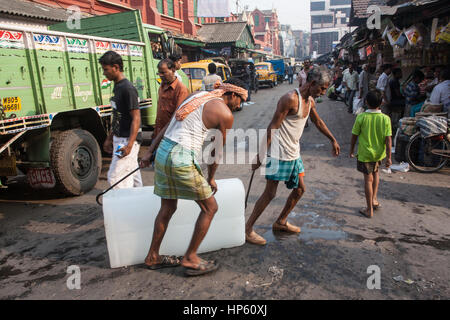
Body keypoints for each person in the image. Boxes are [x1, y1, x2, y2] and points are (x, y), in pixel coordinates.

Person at [139, 78, 248, 276]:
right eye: (240, 100)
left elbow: (168, 125)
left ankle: (152, 256)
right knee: (210, 207)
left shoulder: (196, 95)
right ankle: (190, 257)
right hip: (180, 157)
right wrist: (211, 178)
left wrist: (150, 152)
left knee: (168, 207)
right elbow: (216, 152)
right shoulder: (225, 113)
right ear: (232, 95)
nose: (240, 105)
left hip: (164, 152)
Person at [245, 67, 341, 245]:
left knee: (300, 189)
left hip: (294, 153)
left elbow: (317, 121)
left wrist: (332, 139)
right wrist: (260, 155)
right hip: (277, 154)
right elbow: (272, 127)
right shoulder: (289, 99)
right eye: (322, 89)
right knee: (270, 193)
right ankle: (248, 229)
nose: (323, 93)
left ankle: (281, 221)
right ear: (312, 84)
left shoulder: (310, 101)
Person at [100, 51, 143, 189]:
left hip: (126, 140)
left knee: (116, 178)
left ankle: (124, 208)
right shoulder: (118, 86)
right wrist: (110, 137)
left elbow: (136, 118)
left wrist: (130, 144)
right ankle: (141, 205)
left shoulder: (127, 88)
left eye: (106, 69)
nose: (104, 73)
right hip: (120, 139)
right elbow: (118, 116)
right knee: (133, 176)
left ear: (116, 67)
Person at [350, 90, 392, 219]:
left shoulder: (361, 117)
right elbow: (388, 139)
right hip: (379, 154)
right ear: (381, 102)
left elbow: (354, 136)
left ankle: (369, 209)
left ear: (366, 102)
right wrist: (389, 157)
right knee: (376, 173)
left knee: (368, 179)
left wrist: (351, 150)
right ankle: (373, 200)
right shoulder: (385, 118)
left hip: (365, 154)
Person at [153, 58, 189, 141]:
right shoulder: (162, 87)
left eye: (163, 73)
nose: (161, 75)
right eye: (159, 73)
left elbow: (177, 118)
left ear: (173, 70)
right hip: (159, 133)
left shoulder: (181, 90)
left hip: (171, 135)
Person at [387, 68, 405, 133]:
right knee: (406, 103)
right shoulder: (394, 81)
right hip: (394, 101)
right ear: (396, 74)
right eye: (400, 73)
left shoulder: (394, 80)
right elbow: (398, 94)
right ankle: (400, 122)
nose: (401, 74)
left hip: (394, 99)